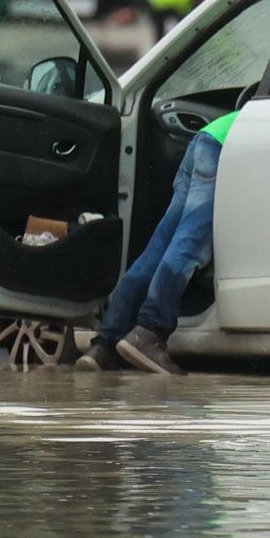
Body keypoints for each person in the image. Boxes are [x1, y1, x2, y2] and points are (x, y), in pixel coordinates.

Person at [75, 110, 237, 375]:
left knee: (158, 247)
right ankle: (150, 330)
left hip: (203, 139)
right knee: (189, 245)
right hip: (224, 148)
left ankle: (105, 344)